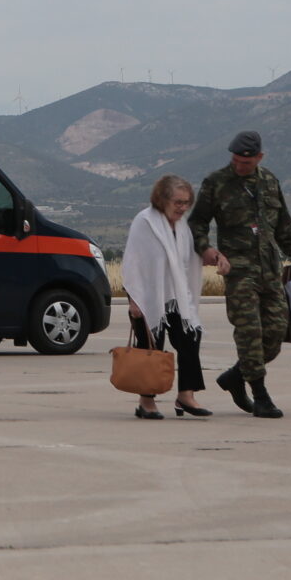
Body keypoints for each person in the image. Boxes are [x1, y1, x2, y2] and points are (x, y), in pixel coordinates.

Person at [191, 130, 291, 419]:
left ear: (259, 158)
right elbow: (197, 222)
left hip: (269, 269)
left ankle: (235, 377)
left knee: (275, 333)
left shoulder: (270, 181)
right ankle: (260, 396)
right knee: (249, 332)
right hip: (238, 271)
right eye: (236, 161)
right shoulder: (216, 182)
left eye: (246, 163)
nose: (240, 166)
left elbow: (283, 225)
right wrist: (206, 249)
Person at [121, 175, 212, 420]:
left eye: (186, 203)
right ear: (162, 199)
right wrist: (134, 299)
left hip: (177, 296)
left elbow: (189, 259)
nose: (183, 208)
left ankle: (186, 394)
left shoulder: (183, 227)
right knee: (151, 347)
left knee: (191, 338)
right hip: (149, 298)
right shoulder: (145, 222)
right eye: (178, 202)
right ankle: (146, 402)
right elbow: (133, 261)